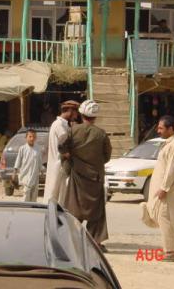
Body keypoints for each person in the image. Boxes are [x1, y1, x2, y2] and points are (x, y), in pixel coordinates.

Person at [60, 100, 112, 250]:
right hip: (95, 177)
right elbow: (106, 156)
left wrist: (69, 158)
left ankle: (71, 240)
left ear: (81, 114)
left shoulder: (72, 130)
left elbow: (61, 146)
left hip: (77, 176)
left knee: (74, 209)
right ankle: (96, 242)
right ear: (95, 117)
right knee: (98, 212)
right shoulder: (101, 134)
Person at [140, 116, 174, 262]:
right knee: (163, 219)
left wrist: (164, 188)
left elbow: (171, 170)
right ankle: (169, 251)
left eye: (161, 128)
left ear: (171, 129)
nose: (158, 131)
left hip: (167, 193)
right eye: (158, 128)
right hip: (163, 191)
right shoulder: (169, 144)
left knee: (167, 220)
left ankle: (170, 252)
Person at [43, 100, 79, 205]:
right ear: (70, 111)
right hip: (59, 166)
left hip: (60, 167)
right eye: (76, 112)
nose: (76, 115)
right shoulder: (59, 125)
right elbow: (65, 147)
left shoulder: (63, 125)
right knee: (55, 198)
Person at [14, 129, 43, 202]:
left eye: (33, 137)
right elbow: (18, 161)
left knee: (34, 196)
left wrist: (42, 170)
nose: (32, 138)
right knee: (26, 196)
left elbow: (39, 161)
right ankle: (25, 212)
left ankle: (33, 211)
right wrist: (14, 173)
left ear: (35, 138)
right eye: (30, 136)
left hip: (35, 176)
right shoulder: (22, 148)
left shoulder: (38, 148)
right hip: (25, 176)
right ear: (26, 137)